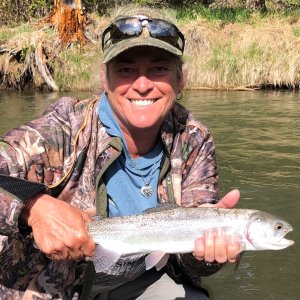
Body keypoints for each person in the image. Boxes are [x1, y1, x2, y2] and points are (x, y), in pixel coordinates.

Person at [0, 5, 241, 300]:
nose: (142, 85)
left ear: (180, 80)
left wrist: (208, 253)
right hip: (50, 287)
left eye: (159, 68)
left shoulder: (192, 139)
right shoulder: (62, 128)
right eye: (126, 70)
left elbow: (193, 265)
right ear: (105, 79)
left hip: (140, 281)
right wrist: (33, 207)